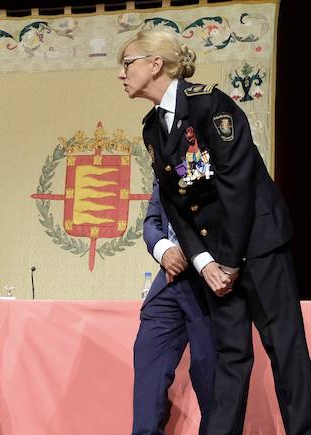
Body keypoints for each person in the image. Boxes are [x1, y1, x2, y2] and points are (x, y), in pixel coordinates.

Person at [119, 29, 311, 435]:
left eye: (128, 62)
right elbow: (174, 202)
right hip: (215, 260)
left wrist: (228, 259)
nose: (122, 73)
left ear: (156, 64)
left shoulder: (210, 104)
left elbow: (236, 184)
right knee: (231, 355)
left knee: (286, 349)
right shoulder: (152, 129)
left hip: (257, 244)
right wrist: (205, 262)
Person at [132, 181, 215, 435]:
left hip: (210, 283)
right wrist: (165, 250)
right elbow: (152, 222)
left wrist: (191, 253)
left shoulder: (222, 153)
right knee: (148, 361)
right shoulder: (167, 163)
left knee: (211, 376)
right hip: (169, 285)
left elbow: (230, 216)